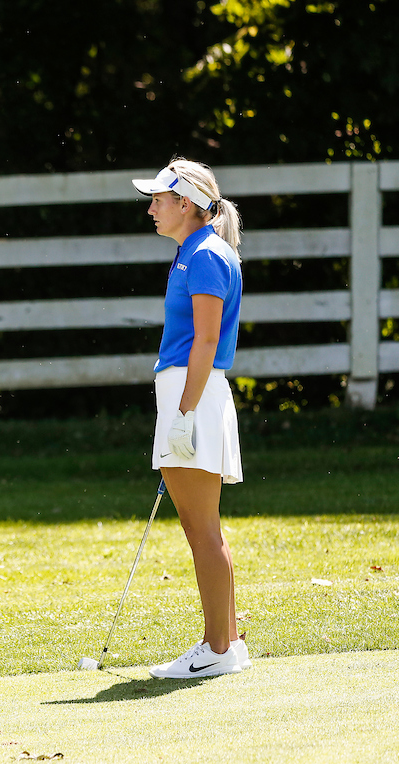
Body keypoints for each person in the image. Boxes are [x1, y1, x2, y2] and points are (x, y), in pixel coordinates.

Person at [131, 158, 251, 679]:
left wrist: (183, 413)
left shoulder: (204, 255)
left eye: (159, 199)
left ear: (187, 203)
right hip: (190, 393)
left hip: (192, 393)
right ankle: (229, 643)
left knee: (201, 530)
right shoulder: (194, 252)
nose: (152, 207)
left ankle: (217, 648)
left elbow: (205, 339)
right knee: (207, 529)